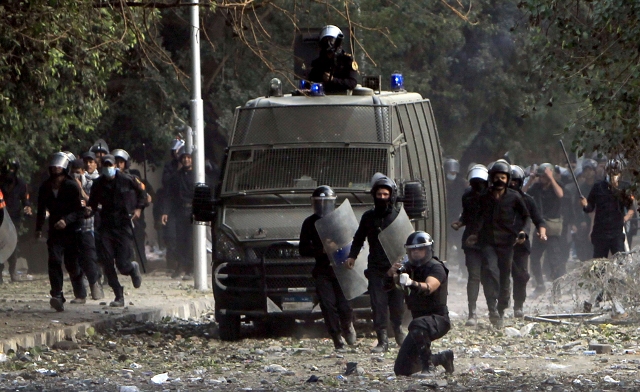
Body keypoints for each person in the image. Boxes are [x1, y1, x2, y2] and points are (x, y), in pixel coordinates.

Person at [345, 176, 405, 352]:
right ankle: (382, 340)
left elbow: (406, 242)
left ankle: (398, 330)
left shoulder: (397, 217)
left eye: (386, 194)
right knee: (378, 304)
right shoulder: (368, 217)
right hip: (376, 268)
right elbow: (358, 238)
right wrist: (352, 256)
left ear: (391, 195)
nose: (382, 198)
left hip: (396, 267)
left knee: (397, 303)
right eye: (379, 194)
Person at [467, 159, 529, 328]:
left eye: (503, 177)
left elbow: (524, 216)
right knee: (489, 272)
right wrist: (474, 234)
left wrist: (517, 232)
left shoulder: (515, 197)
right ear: (491, 178)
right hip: (487, 242)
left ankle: (501, 309)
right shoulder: (484, 197)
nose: (499, 180)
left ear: (507, 179)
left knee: (504, 276)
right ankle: (492, 308)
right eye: (497, 177)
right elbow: (478, 217)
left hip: (507, 243)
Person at [299, 185, 355, 351]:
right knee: (327, 304)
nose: (323, 205)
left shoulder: (341, 221)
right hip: (323, 270)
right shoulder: (309, 223)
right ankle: (336, 338)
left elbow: (352, 241)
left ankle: (347, 325)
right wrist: (321, 250)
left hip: (341, 269)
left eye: (326, 202)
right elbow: (303, 249)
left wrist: (338, 247)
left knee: (344, 306)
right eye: (319, 202)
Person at [391, 231, 454, 376]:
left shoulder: (436, 267)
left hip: (438, 319)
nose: (416, 253)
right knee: (402, 370)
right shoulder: (408, 268)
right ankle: (442, 358)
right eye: (412, 250)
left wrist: (411, 283)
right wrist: (391, 275)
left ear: (428, 249)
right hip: (418, 324)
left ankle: (429, 367)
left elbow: (429, 287)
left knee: (418, 324)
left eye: (419, 249)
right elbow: (386, 287)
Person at [87, 154, 145, 307]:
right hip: (106, 225)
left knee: (122, 264)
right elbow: (92, 204)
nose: (108, 168)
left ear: (115, 166)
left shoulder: (127, 179)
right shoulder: (98, 184)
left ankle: (132, 269)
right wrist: (88, 211)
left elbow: (142, 193)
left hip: (123, 225)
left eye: (110, 165)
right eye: (105, 165)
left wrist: (138, 209)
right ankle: (118, 294)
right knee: (107, 262)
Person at [35, 153, 85, 312]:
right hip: (55, 231)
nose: (56, 171)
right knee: (54, 260)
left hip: (72, 231)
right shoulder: (45, 187)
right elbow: (41, 209)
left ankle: (80, 291)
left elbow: (79, 211)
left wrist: (67, 220)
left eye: (59, 168)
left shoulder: (72, 186)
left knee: (72, 264)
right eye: (53, 167)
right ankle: (57, 294)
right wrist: (38, 228)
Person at [451, 164, 487, 326]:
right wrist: (460, 223)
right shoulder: (467, 196)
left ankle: (494, 309)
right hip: (470, 243)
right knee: (473, 276)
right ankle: (472, 312)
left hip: (489, 242)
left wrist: (478, 234)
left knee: (490, 275)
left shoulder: (492, 197)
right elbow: (467, 215)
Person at [509, 165, 546, 317]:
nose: (512, 185)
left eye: (515, 182)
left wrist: (542, 232)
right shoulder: (496, 200)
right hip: (501, 243)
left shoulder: (527, 200)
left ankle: (518, 305)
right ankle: (498, 306)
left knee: (520, 275)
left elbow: (538, 220)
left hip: (520, 244)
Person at [523, 163, 565, 293]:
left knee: (554, 260)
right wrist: (531, 179)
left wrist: (551, 178)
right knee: (534, 257)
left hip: (552, 228)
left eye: (544, 177)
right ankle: (540, 285)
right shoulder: (537, 187)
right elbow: (522, 194)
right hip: (540, 225)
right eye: (541, 177)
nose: (542, 179)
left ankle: (556, 289)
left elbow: (560, 194)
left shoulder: (556, 186)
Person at [580, 159, 634, 258]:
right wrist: (585, 205)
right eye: (611, 171)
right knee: (599, 263)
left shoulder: (624, 187)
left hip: (616, 232)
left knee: (620, 261)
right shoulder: (598, 187)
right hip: (600, 233)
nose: (613, 174)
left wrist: (625, 219)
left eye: (616, 171)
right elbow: (590, 207)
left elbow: (631, 207)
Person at [69, 159, 103, 303]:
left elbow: (94, 203)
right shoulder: (67, 185)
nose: (75, 175)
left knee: (89, 259)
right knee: (73, 262)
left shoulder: (90, 183)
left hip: (87, 226)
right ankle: (80, 294)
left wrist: (80, 190)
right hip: (71, 226)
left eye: (78, 172)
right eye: (73, 172)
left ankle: (95, 284)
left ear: (83, 172)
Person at [113, 149, 151, 270]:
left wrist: (139, 209)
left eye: (121, 162)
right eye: (116, 162)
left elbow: (143, 194)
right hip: (117, 216)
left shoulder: (133, 178)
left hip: (133, 216)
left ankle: (141, 265)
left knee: (138, 241)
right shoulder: (108, 180)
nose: (118, 165)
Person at [161, 146, 196, 280]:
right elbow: (169, 195)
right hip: (180, 212)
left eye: (188, 157)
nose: (186, 160)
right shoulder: (176, 176)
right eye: (184, 158)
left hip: (194, 212)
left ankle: (191, 269)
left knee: (191, 241)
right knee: (178, 240)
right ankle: (181, 265)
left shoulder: (198, 176)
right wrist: (165, 212)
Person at [0, 159, 32, 282]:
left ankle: (13, 272)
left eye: (12, 168)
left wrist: (27, 208)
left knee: (12, 244)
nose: (9, 171)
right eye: (7, 168)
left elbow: (26, 200)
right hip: (0, 217)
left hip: (14, 218)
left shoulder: (21, 184)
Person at [307, 25, 358, 93]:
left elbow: (352, 83)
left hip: (343, 98)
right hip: (321, 98)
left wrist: (333, 80)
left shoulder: (347, 60)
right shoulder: (318, 63)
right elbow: (310, 82)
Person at [444, 158, 466, 278]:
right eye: (450, 172)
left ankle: (464, 272)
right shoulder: (440, 182)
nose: (452, 175)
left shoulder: (462, 183)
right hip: (445, 218)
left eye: (454, 173)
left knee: (460, 246)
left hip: (457, 218)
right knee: (444, 245)